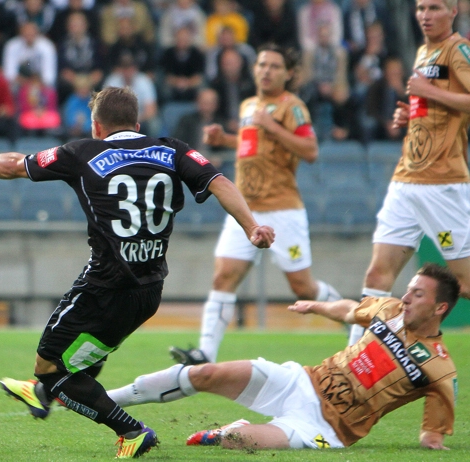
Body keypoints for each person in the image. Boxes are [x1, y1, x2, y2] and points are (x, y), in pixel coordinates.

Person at [0, 87, 275, 458]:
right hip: (149, 291)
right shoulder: (173, 150)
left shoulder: (83, 151)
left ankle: (129, 430)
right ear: (137, 124)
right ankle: (42, 396)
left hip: (103, 286)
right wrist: (251, 226)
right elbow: (219, 183)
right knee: (85, 358)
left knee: (50, 366)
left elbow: (15, 164)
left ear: (97, 126)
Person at [107, 262, 459, 451]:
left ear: (440, 307)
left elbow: (433, 433)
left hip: (324, 428)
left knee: (234, 444)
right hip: (300, 381)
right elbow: (351, 310)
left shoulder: (439, 367)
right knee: (205, 374)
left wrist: (432, 441)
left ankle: (233, 431)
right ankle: (106, 401)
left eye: (418, 293)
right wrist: (317, 306)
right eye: (409, 289)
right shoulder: (390, 309)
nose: (407, 297)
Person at [169, 43, 341, 367]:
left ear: (288, 74)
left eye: (275, 66)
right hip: (246, 209)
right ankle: (205, 353)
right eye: (262, 64)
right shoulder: (250, 105)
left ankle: (352, 318)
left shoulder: (293, 108)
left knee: (302, 286)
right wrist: (226, 140)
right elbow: (255, 143)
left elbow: (311, 150)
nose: (266, 70)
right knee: (224, 276)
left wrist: (272, 125)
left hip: (282, 208)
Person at [348, 0, 470, 346]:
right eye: (420, 8)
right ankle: (353, 359)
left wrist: (426, 92)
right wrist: (411, 114)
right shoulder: (423, 52)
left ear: (453, 11)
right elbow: (437, 109)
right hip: (406, 180)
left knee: (465, 284)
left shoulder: (457, 50)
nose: (425, 15)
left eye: (434, 8)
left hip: (442, 184)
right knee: (377, 273)